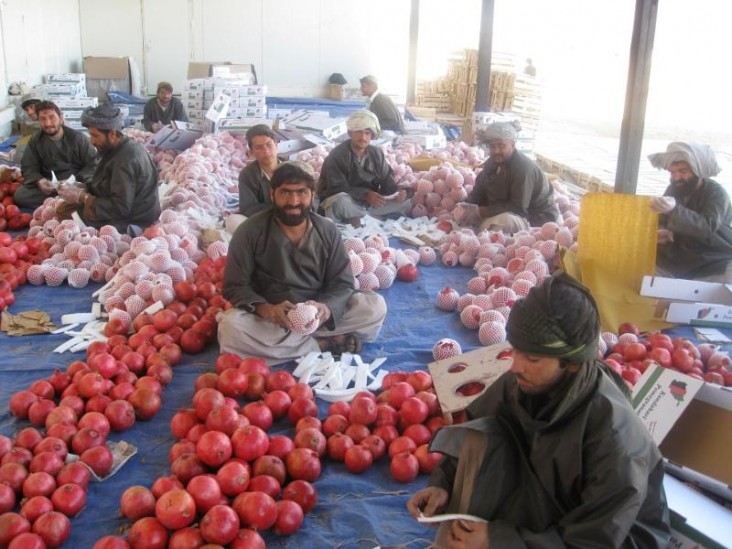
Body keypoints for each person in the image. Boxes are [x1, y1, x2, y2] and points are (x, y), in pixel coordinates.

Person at [407, 272, 671, 548]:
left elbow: (593, 542)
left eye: (532, 357)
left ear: (572, 363)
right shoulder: (525, 382)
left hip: (608, 538)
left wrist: (497, 540)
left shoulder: (616, 442)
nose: (516, 366)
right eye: (516, 350)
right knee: (477, 437)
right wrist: (442, 484)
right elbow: (475, 428)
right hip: (553, 503)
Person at [218, 162, 387, 364]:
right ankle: (324, 345)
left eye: (302, 192)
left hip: (318, 316)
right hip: (275, 319)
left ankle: (295, 345)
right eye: (285, 193)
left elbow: (342, 283)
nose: (294, 201)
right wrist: (266, 309)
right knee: (230, 327)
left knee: (374, 306)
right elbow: (235, 286)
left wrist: (325, 308)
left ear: (312, 194)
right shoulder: (250, 231)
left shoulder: (327, 230)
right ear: (272, 194)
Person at [55, 104, 161, 233]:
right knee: (64, 208)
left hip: (133, 219)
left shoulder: (126, 159)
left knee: (65, 213)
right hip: (124, 208)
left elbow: (120, 208)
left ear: (112, 134)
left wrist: (83, 197)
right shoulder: (117, 147)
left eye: (95, 136)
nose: (91, 141)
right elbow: (108, 184)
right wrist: (83, 187)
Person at [648, 142, 732, 282]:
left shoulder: (717, 194)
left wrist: (674, 210)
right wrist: (663, 232)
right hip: (679, 256)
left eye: (683, 171)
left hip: (711, 257)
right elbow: (662, 219)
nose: (676, 177)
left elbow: (707, 227)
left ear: (698, 172)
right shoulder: (674, 188)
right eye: (673, 172)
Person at [318, 110, 410, 227]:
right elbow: (335, 188)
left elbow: (387, 180)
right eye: (359, 132)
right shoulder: (338, 155)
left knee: (407, 202)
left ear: (372, 135)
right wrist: (365, 194)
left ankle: (363, 218)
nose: (363, 137)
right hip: (347, 201)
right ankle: (368, 218)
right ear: (350, 133)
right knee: (341, 202)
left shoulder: (376, 153)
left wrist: (400, 193)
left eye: (367, 133)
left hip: (368, 205)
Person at [467, 120, 558, 233]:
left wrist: (483, 212)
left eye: (501, 146)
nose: (496, 151)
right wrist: (467, 205)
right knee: (471, 216)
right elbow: (480, 188)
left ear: (513, 145)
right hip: (505, 209)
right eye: (492, 147)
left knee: (499, 222)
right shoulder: (492, 162)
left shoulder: (523, 168)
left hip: (535, 218)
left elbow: (518, 208)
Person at [16, 101, 98, 210]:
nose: (48, 123)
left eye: (52, 117)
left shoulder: (78, 138)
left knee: (96, 191)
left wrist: (73, 180)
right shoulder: (36, 140)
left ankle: (61, 202)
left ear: (61, 117)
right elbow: (29, 166)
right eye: (43, 119)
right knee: (20, 195)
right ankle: (64, 203)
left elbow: (93, 163)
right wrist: (39, 180)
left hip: (75, 182)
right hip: (49, 185)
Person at [238, 124, 281, 217]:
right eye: (259, 147)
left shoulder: (293, 169)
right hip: (264, 221)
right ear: (251, 152)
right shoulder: (247, 175)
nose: (266, 151)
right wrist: (281, 208)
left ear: (276, 144)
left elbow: (313, 198)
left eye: (269, 145)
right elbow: (247, 208)